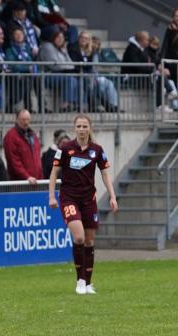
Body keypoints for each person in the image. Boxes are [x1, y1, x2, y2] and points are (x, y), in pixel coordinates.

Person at [48, 115, 117, 294]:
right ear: (74, 128)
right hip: (69, 197)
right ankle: (79, 280)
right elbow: (54, 173)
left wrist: (112, 196)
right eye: (78, 126)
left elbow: (105, 173)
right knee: (78, 237)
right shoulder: (65, 149)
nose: (81, 129)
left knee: (89, 240)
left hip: (89, 200)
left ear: (89, 128)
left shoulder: (97, 150)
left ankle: (88, 283)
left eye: (84, 126)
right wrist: (51, 197)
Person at [69, 31, 119, 113]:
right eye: (82, 37)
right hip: (76, 73)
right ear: (78, 38)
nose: (83, 40)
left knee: (97, 83)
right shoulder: (73, 47)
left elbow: (89, 67)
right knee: (89, 81)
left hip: (87, 75)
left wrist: (89, 74)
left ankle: (106, 105)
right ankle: (104, 105)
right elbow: (75, 64)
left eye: (86, 38)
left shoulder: (90, 50)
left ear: (89, 40)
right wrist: (86, 71)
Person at [39, 25, 79, 113]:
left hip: (61, 75)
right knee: (70, 79)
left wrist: (65, 53)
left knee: (78, 79)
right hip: (48, 76)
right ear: (53, 38)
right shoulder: (47, 46)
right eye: (58, 37)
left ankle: (77, 105)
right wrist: (68, 68)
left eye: (62, 37)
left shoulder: (62, 49)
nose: (60, 39)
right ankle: (64, 105)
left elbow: (72, 65)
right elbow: (55, 65)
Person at [3, 109, 42, 183]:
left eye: (27, 119)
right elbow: (13, 161)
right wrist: (26, 176)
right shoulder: (11, 136)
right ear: (17, 120)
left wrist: (40, 177)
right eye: (23, 120)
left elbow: (38, 160)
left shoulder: (33, 135)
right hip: (20, 183)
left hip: (35, 181)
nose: (26, 122)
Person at [4, 27, 38, 113]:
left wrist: (30, 67)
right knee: (26, 81)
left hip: (27, 74)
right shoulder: (10, 49)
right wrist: (26, 67)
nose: (19, 36)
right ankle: (13, 103)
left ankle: (41, 105)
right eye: (16, 34)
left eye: (21, 34)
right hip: (15, 75)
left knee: (38, 79)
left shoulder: (27, 48)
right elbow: (13, 65)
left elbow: (30, 61)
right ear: (13, 37)